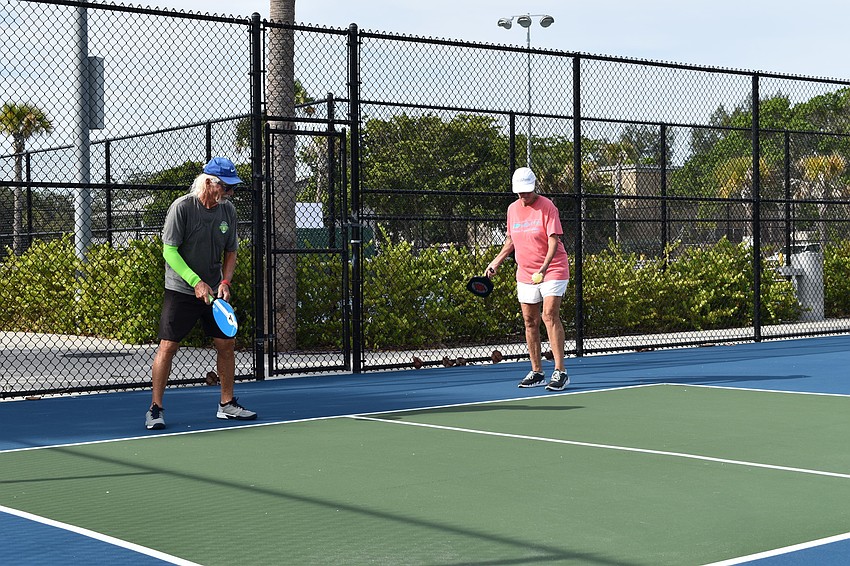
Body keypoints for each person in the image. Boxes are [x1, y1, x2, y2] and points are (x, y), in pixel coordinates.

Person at [145, 157, 257, 430]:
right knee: (168, 347)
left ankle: (227, 404)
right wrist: (195, 281)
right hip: (181, 289)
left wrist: (225, 282)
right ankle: (155, 409)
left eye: (232, 188)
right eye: (227, 187)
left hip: (214, 291)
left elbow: (231, 251)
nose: (230, 193)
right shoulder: (181, 208)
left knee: (226, 344)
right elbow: (169, 250)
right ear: (209, 183)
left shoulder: (227, 211)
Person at [486, 166, 571, 391]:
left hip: (553, 268)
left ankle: (560, 371)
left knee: (549, 315)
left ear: (534, 187)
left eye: (527, 191)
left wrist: (543, 268)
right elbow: (511, 241)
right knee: (529, 321)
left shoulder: (547, 207)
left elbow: (553, 241)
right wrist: (496, 261)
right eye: (519, 192)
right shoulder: (512, 209)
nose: (523, 196)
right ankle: (537, 371)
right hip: (525, 272)